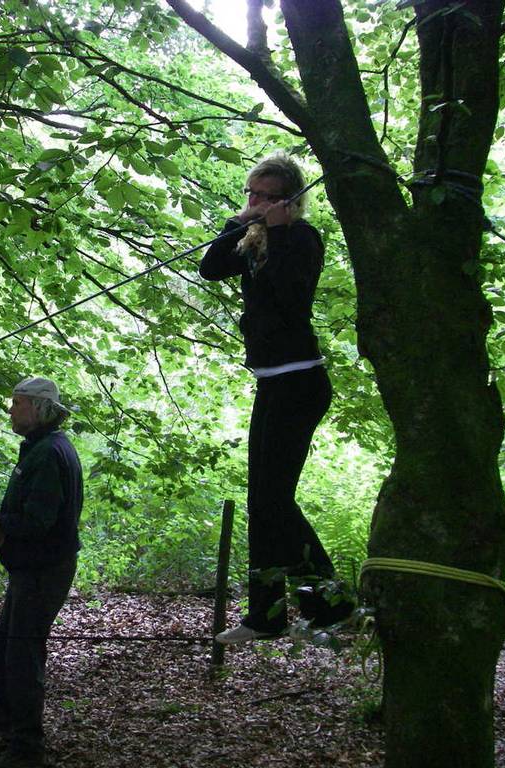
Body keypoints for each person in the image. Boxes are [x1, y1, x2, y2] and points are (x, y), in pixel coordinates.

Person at [199, 153, 353, 644]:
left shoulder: (302, 239)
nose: (255, 203)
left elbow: (289, 297)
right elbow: (210, 268)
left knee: (275, 500)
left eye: (266, 196)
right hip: (272, 380)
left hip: (301, 382)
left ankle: (330, 604)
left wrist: (275, 232)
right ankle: (266, 615)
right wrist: (237, 224)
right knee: (262, 501)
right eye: (252, 194)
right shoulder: (251, 238)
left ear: (289, 199)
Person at [0, 377, 83, 768]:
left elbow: (39, 521)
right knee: (6, 643)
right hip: (30, 567)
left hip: (43, 568)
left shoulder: (50, 453)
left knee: (23, 652)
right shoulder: (40, 447)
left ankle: (27, 746)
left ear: (38, 407)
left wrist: (1, 524)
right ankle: (5, 713)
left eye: (17, 403)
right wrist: (3, 522)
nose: (11, 410)